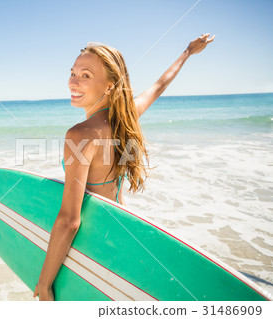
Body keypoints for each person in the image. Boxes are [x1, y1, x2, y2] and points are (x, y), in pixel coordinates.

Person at [33, 33, 215, 301]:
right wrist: (187, 52)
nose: (73, 81)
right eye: (72, 72)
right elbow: (158, 86)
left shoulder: (80, 134)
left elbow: (70, 221)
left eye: (85, 75)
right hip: (119, 228)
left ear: (108, 86)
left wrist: (45, 283)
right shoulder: (126, 117)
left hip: (90, 240)